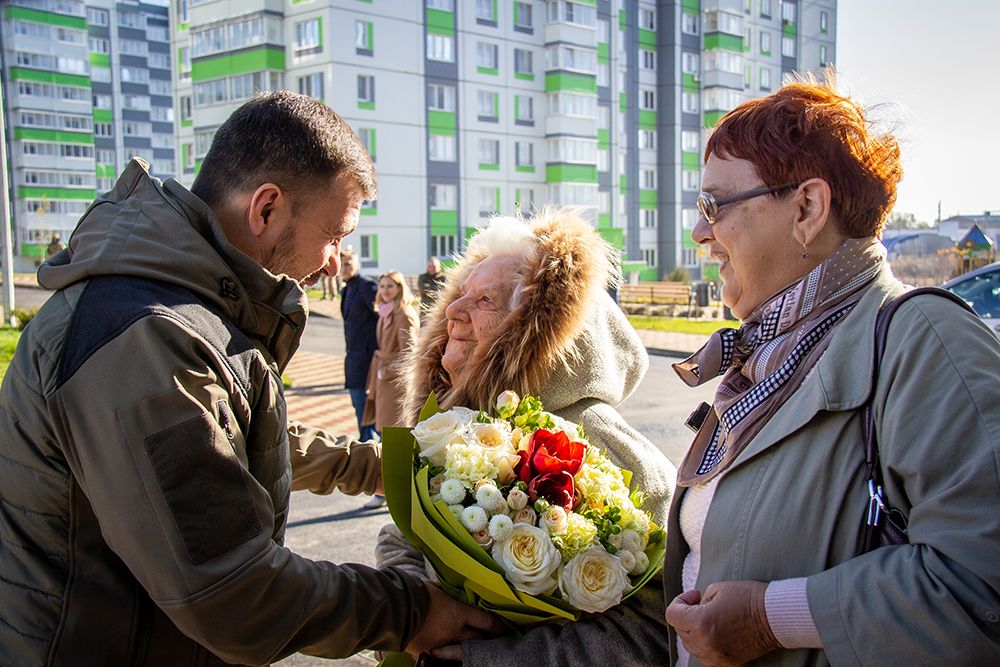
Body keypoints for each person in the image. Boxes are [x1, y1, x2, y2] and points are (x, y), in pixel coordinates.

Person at [0, 91, 498, 666]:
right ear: (265, 208)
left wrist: (387, 468)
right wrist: (410, 611)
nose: (333, 261)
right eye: (334, 235)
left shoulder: (189, 307)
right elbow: (233, 592)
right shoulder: (143, 336)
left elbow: (232, 437)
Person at [662, 76, 1000, 666]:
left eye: (714, 206)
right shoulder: (773, 353)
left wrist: (770, 619)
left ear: (807, 209)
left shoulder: (926, 340)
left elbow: (981, 589)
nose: (699, 233)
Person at [377, 209, 678, 665]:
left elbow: (657, 630)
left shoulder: (611, 450)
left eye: (484, 300)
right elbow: (400, 536)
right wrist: (414, 608)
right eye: (460, 294)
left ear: (536, 333)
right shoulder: (455, 428)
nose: (452, 311)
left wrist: (495, 658)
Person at [360, 270, 420, 509]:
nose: (385, 291)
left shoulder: (404, 314)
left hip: (394, 383)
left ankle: (389, 490)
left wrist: (387, 372)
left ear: (399, 288)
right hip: (382, 376)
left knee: (393, 437)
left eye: (390, 286)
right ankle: (388, 489)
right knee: (386, 433)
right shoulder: (385, 311)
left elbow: (410, 353)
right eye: (382, 286)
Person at [340, 245, 379, 442]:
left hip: (368, 359)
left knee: (369, 411)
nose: (345, 268)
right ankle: (367, 446)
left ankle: (370, 448)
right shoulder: (346, 289)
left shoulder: (366, 285)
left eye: (348, 264)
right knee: (359, 407)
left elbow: (383, 317)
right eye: (342, 264)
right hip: (354, 358)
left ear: (357, 264)